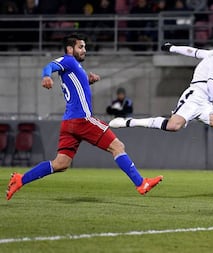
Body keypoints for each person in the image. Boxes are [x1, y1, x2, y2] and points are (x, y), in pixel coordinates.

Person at [6, 33, 163, 201]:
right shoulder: (68, 60)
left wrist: (88, 80)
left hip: (69, 123)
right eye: (80, 47)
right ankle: (140, 183)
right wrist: (46, 76)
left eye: (85, 47)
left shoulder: (75, 68)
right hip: (82, 119)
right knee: (117, 146)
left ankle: (20, 179)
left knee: (61, 164)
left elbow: (75, 86)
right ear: (69, 49)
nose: (84, 50)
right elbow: (50, 66)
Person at [109, 34, 213, 173]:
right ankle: (130, 122)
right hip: (194, 97)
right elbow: (211, 82)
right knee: (172, 126)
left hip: (204, 101)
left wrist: (172, 48)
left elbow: (192, 51)